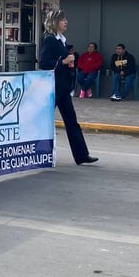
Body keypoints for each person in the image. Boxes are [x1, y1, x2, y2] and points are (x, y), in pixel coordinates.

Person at [38, 10, 98, 165]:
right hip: (54, 88)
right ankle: (37, 152)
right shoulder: (50, 40)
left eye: (66, 19)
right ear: (54, 22)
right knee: (43, 120)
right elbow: (44, 63)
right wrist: (63, 62)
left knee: (72, 121)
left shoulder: (62, 40)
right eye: (63, 20)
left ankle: (81, 155)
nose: (66, 22)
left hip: (63, 88)